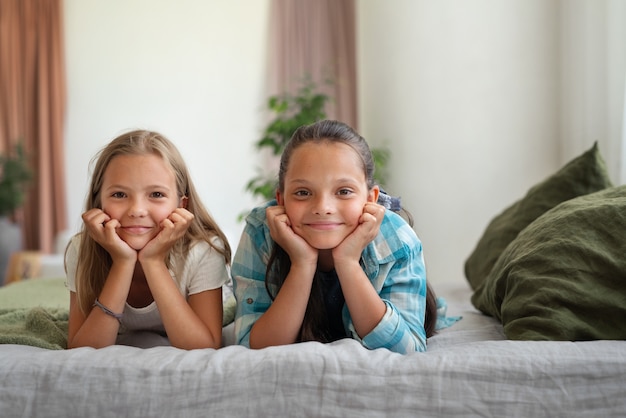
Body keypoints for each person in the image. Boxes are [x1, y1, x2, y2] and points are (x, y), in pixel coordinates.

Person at [232, 119, 440, 354]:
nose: (323, 207)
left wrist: (348, 262)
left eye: (343, 191)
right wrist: (302, 264)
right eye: (303, 192)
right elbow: (253, 346)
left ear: (370, 198)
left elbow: (408, 349)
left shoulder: (397, 239)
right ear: (281, 200)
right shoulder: (261, 231)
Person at [65, 130, 231, 349]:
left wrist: (152, 261)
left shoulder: (203, 250)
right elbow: (81, 350)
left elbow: (204, 348)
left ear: (182, 205)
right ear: (99, 203)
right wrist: (123, 263)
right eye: (119, 195)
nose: (137, 210)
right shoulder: (82, 249)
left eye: (156, 195)